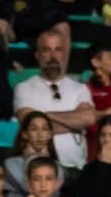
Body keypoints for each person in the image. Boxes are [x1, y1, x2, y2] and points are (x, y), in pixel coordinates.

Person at [12, 28, 96, 171]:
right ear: (37, 55)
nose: (53, 56)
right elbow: (29, 124)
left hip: (76, 168)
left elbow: (88, 118)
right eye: (46, 50)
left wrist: (45, 116)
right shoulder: (23, 88)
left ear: (65, 54)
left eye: (58, 49)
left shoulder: (80, 88)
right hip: (38, 172)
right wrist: (75, 123)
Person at [3, 111, 64, 197]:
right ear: (25, 134)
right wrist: (32, 158)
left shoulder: (57, 166)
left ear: (50, 135)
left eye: (44, 129)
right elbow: (29, 189)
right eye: (34, 129)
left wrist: (37, 158)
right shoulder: (10, 164)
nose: (40, 134)